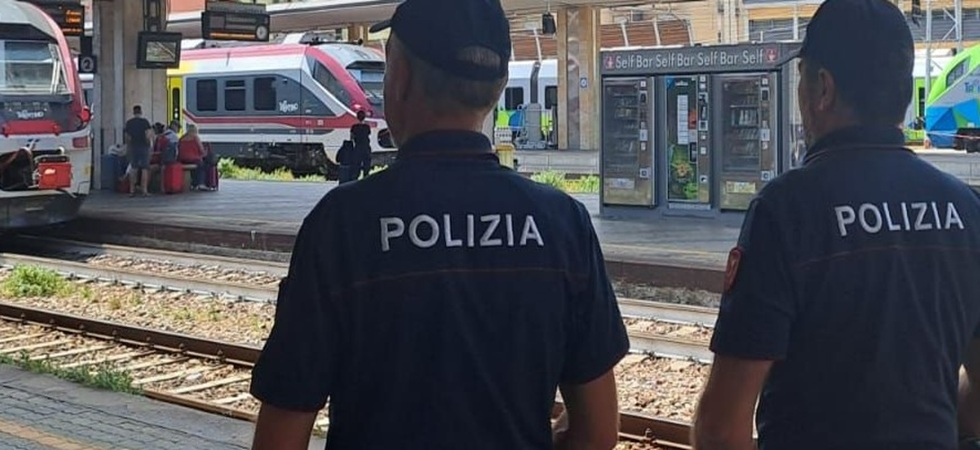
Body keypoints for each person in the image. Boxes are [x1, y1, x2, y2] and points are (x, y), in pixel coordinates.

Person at [248, 0, 629, 449]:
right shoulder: (562, 223)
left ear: (400, 77)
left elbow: (280, 439)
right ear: (498, 87)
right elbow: (598, 432)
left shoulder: (340, 226)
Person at [691, 1, 980, 449]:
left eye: (802, 77)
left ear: (822, 88)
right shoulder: (965, 209)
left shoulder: (786, 212)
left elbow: (720, 428)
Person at [123, 105, 153, 197]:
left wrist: (129, 146)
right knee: (144, 168)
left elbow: (127, 137)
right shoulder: (145, 122)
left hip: (133, 147)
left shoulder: (129, 123)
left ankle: (132, 190)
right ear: (141, 112)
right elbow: (148, 135)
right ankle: (144, 190)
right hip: (144, 147)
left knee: (133, 168)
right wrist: (149, 144)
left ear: (133, 112)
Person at [178, 124, 213, 191]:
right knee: (203, 165)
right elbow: (201, 151)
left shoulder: (181, 138)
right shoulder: (195, 138)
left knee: (197, 165)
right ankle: (200, 183)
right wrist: (205, 152)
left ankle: (194, 184)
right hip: (193, 159)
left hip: (182, 159)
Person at [349, 110, 372, 179]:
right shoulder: (367, 127)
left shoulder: (354, 127)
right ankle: (366, 178)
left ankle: (355, 179)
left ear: (357, 117)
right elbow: (368, 134)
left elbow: (351, 138)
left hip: (358, 147)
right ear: (364, 117)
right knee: (366, 165)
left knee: (356, 165)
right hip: (366, 147)